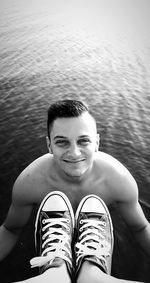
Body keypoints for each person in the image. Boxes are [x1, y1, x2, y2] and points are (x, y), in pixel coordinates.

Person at [0, 99, 150, 283]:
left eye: (83, 141)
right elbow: (10, 229)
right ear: (49, 145)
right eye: (62, 142)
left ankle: (61, 275)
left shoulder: (117, 180)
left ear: (96, 142)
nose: (74, 153)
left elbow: (141, 227)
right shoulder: (30, 182)